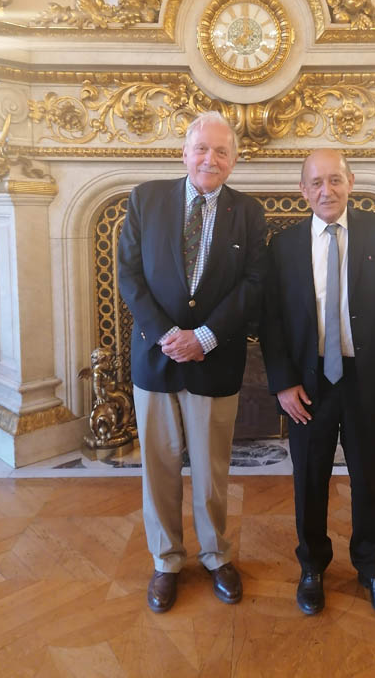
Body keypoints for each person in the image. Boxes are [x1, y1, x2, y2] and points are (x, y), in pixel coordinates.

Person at [117, 111, 267, 613]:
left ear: (234, 161)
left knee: (211, 468)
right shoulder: (145, 199)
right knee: (158, 466)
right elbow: (129, 275)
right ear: (185, 153)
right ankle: (166, 561)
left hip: (213, 358)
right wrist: (167, 335)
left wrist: (203, 336)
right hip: (155, 356)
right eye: (202, 148)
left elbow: (253, 284)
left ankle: (216, 555)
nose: (211, 158)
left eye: (222, 152)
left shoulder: (248, 211)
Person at [260, 149, 375, 619]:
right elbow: (271, 321)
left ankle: (372, 569)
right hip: (308, 384)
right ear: (302, 190)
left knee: (368, 480)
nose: (325, 191)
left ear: (351, 181)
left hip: (367, 383)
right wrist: (283, 384)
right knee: (309, 479)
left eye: (334, 180)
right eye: (315, 183)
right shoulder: (283, 245)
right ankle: (312, 568)